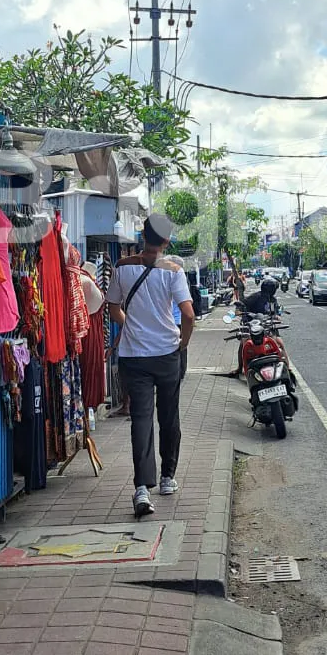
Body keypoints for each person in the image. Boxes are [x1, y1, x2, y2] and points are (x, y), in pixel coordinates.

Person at [107, 214, 196, 518]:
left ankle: (142, 489)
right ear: (167, 241)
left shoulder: (122, 267)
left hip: (133, 356)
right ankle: (168, 478)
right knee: (169, 416)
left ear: (142, 236)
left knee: (141, 419)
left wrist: (130, 325)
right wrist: (182, 342)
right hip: (167, 353)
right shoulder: (174, 271)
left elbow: (113, 307)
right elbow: (188, 315)